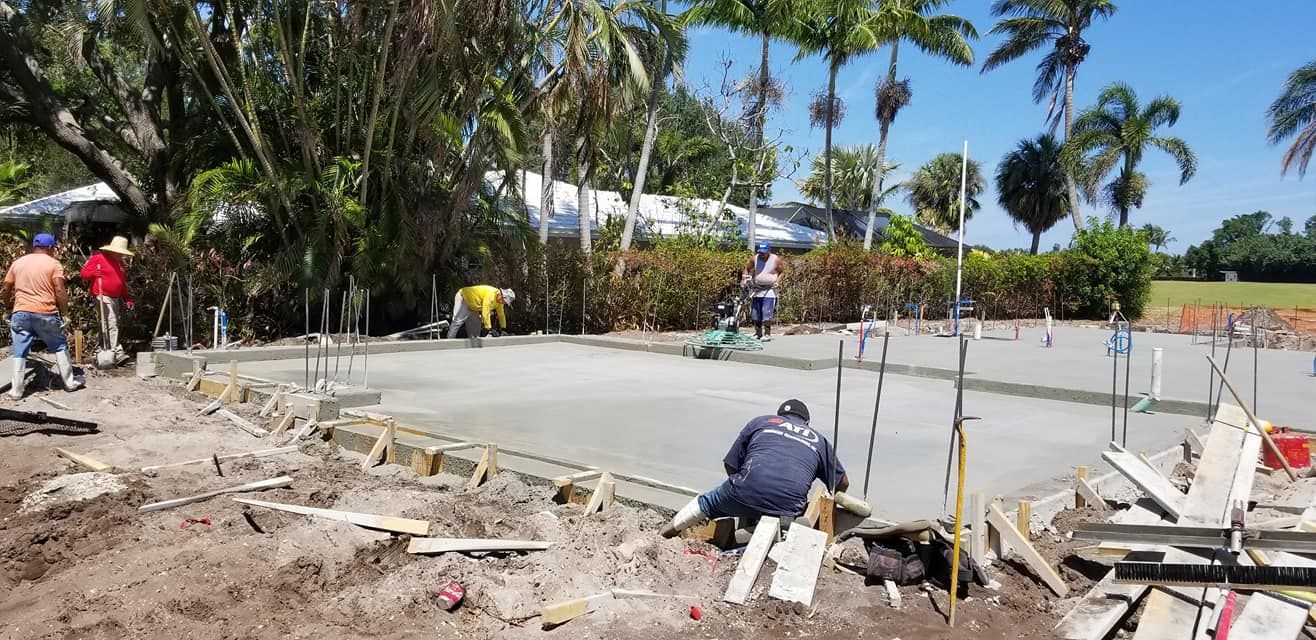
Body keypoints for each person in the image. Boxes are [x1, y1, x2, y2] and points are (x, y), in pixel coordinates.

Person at [660, 399, 847, 538]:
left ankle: (664, 534)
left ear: (779, 416)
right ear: (807, 422)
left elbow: (730, 464)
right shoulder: (819, 440)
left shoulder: (761, 422)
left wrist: (742, 490)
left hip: (743, 491)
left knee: (707, 502)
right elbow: (843, 482)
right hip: (787, 506)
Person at [2, 233, 82, 398]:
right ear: (50, 247)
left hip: (20, 312)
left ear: (35, 246)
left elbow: (5, 289)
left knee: (19, 350)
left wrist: (8, 308)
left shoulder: (18, 263)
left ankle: (16, 391)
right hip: (45, 312)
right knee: (59, 345)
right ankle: (69, 383)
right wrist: (65, 313)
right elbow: (59, 289)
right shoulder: (54, 264)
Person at [79, 236, 134, 358]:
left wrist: (127, 298)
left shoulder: (120, 264)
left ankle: (104, 348)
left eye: (122, 253)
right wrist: (94, 273)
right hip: (102, 295)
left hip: (115, 298)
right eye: (119, 253)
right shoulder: (98, 258)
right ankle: (115, 351)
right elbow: (83, 274)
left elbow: (121, 283)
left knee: (109, 322)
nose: (121, 255)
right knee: (111, 321)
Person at [743, 241, 784, 341]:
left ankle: (767, 334)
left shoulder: (776, 260)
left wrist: (778, 282)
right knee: (756, 312)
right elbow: (747, 269)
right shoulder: (754, 259)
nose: (762, 254)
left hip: (770, 289)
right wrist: (744, 279)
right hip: (757, 289)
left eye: (764, 252)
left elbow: (782, 272)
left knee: (766, 312)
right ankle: (758, 333)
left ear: (769, 251)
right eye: (760, 252)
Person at [448, 285, 515, 339]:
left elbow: (501, 315)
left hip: (474, 306)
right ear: (501, 294)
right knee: (457, 322)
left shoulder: (500, 302)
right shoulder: (491, 295)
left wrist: (503, 328)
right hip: (463, 298)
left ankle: (474, 346)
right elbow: (485, 312)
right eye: (503, 300)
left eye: (505, 302)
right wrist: (489, 329)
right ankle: (449, 341)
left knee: (476, 327)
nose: (503, 302)